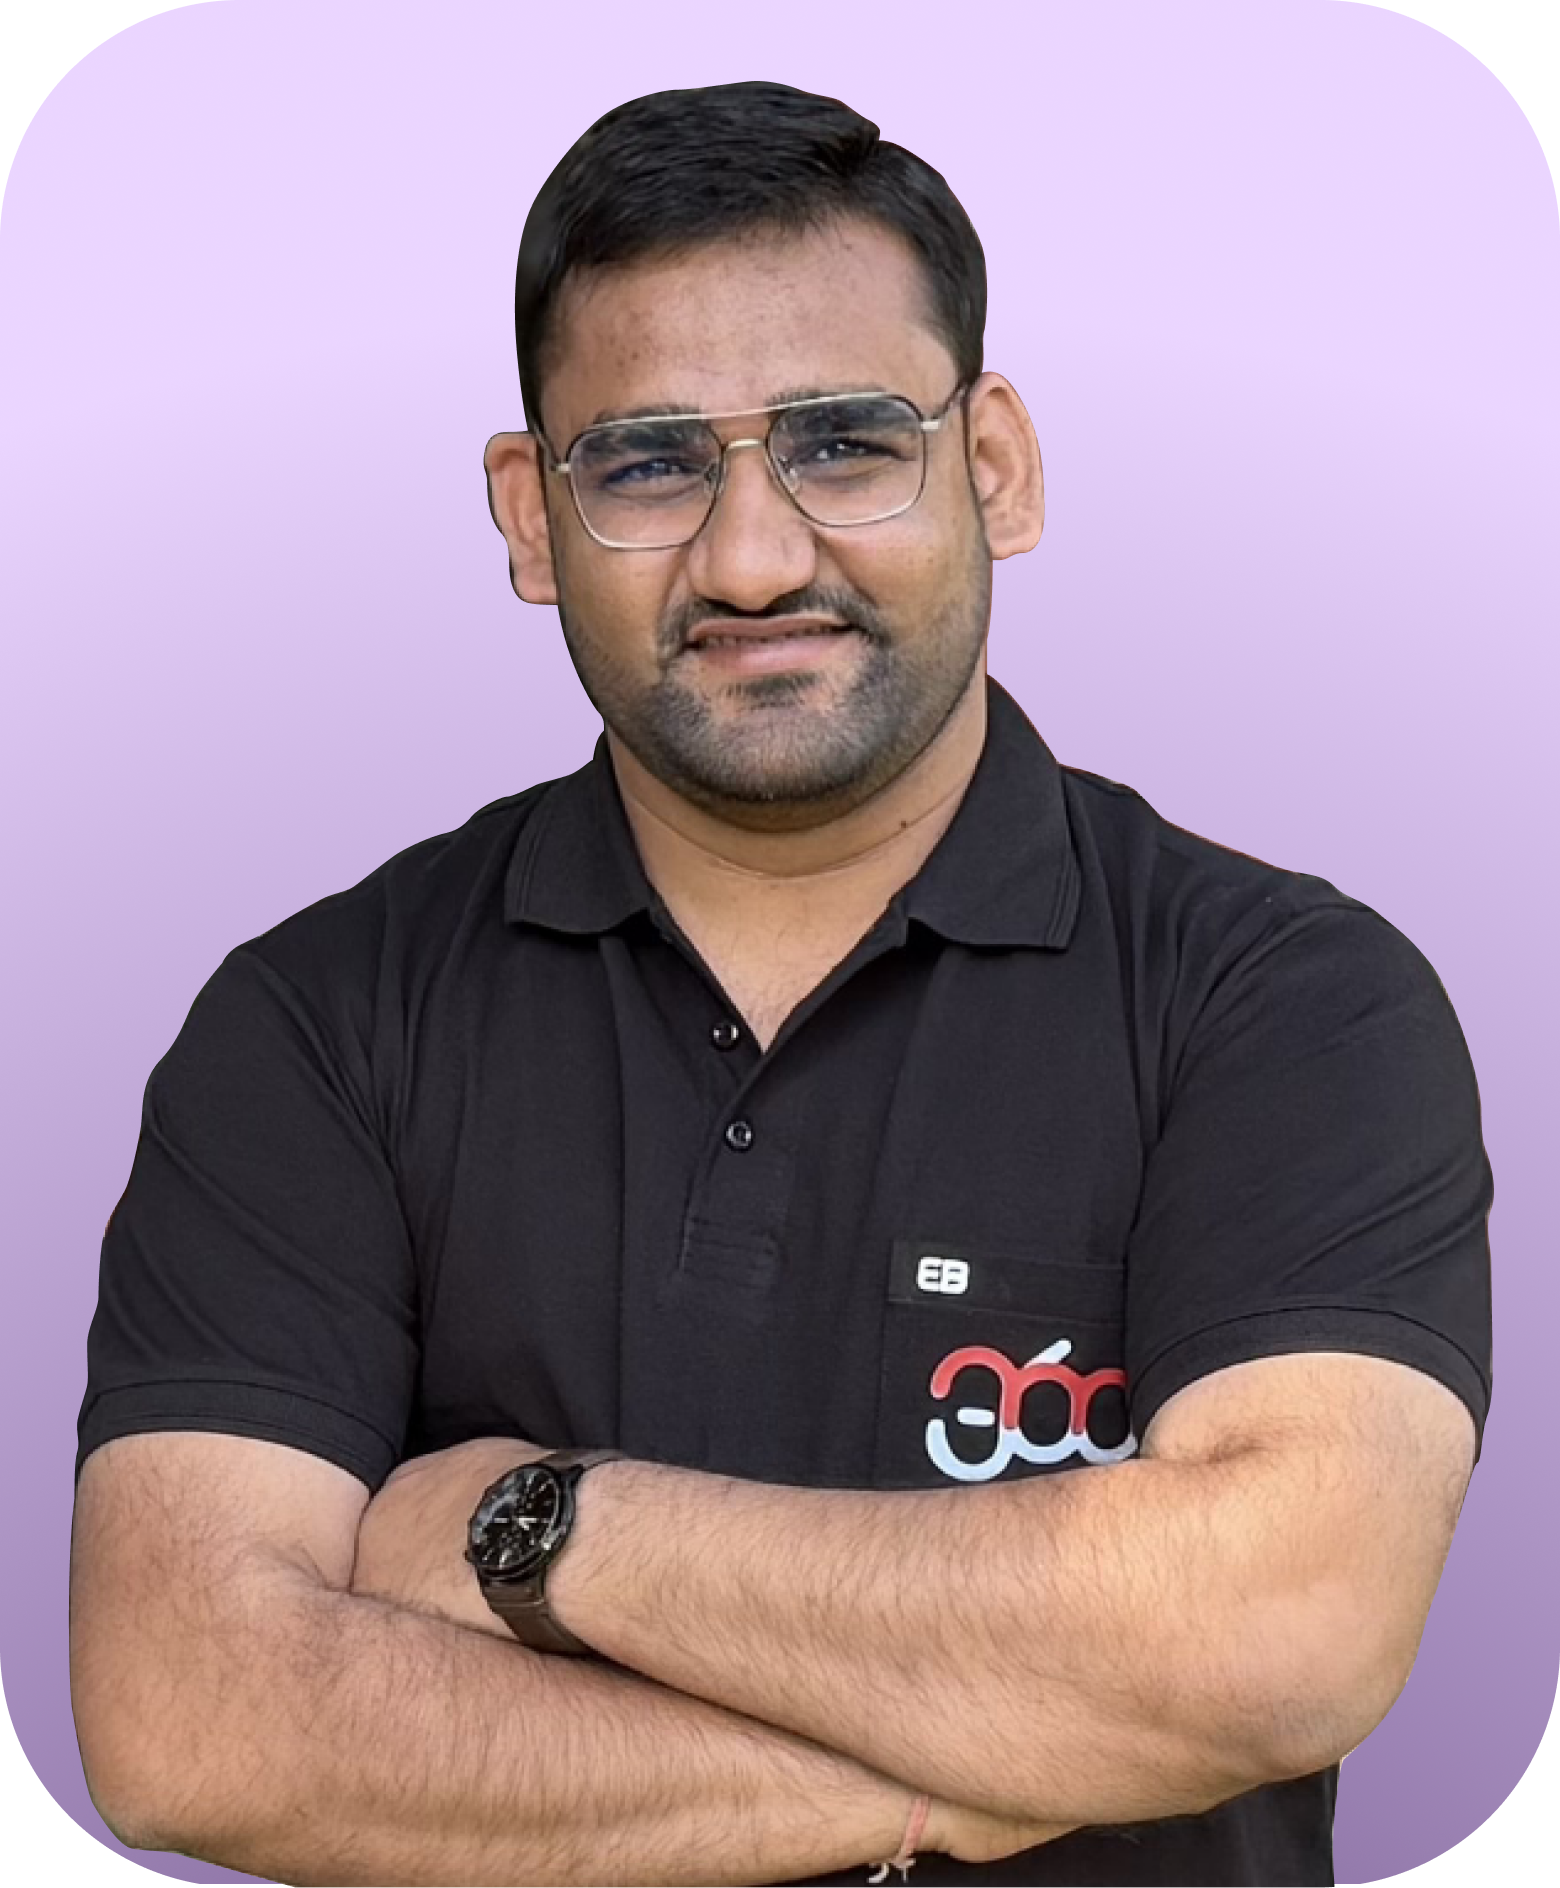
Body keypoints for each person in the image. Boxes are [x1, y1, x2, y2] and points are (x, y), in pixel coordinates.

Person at [69, 81, 1492, 1887]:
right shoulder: (317, 1029)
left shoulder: (1289, 1006)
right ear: (530, 516)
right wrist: (956, 1782)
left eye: (845, 444)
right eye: (648, 465)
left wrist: (538, 1529)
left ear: (994, 468)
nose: (752, 560)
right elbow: (196, 1722)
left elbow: (1276, 1639)